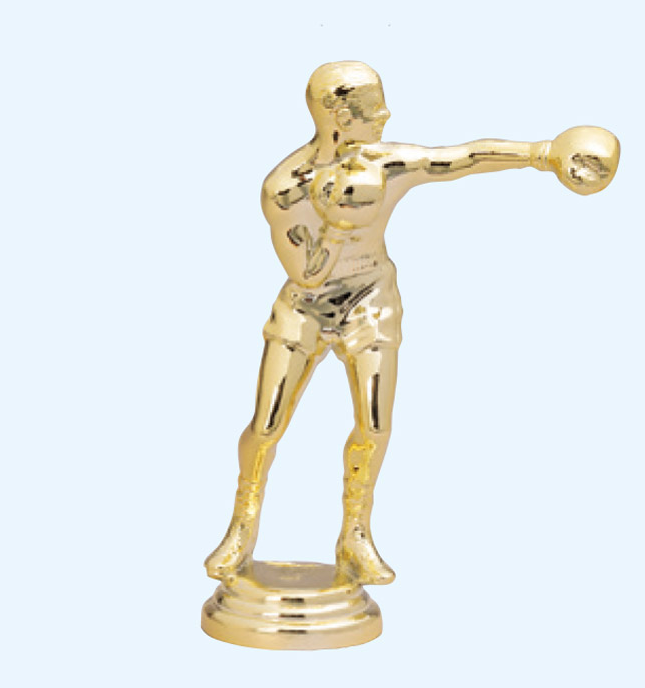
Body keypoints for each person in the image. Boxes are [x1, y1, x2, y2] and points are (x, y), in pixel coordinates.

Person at [204, 60, 617, 585]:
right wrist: (338, 221)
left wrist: (543, 154)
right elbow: (307, 275)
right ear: (340, 117)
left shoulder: (388, 163)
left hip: (371, 300)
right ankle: (242, 525)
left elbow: (458, 158)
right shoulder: (284, 188)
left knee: (374, 425)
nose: (385, 114)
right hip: (306, 305)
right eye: (373, 108)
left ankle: (355, 533)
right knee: (267, 425)